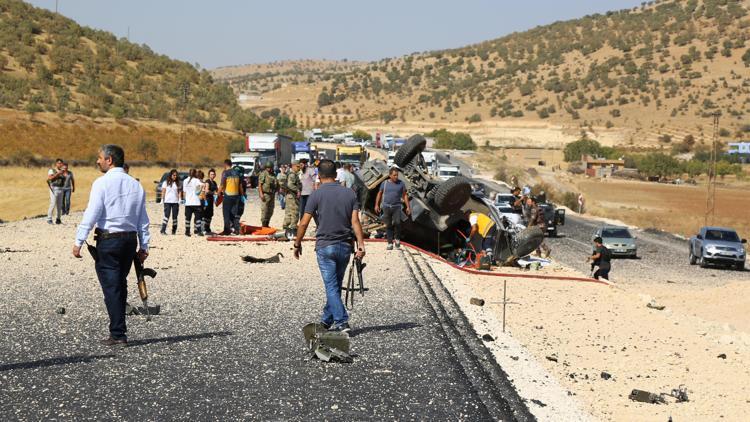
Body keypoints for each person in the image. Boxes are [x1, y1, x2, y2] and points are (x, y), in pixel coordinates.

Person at [72, 144, 150, 346]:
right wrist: (144, 246)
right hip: (129, 240)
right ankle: (118, 331)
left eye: (100, 158)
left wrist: (79, 240)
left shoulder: (102, 183)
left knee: (112, 287)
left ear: (110, 160)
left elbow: (92, 213)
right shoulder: (136, 185)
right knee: (119, 284)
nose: (97, 161)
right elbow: (143, 219)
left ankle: (118, 334)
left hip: (109, 240)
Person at [293, 159, 366, 333]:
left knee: (331, 287)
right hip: (345, 246)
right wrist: (361, 246)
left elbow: (303, 223)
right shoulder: (349, 194)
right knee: (335, 285)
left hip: (325, 247)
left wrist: (297, 243)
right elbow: (355, 221)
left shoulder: (315, 195)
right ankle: (326, 320)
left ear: (319, 175)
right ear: (335, 174)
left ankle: (342, 322)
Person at [374, 168, 411, 250]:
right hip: (386, 207)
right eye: (394, 175)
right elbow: (379, 194)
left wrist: (408, 207)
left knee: (398, 223)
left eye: (397, 175)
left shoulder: (401, 184)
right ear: (390, 175)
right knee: (389, 225)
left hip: (397, 207)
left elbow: (405, 195)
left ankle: (397, 239)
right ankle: (390, 243)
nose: (396, 177)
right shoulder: (385, 183)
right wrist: (376, 205)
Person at [218, 159, 244, 235]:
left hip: (228, 196)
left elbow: (222, 184)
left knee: (226, 214)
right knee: (234, 214)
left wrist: (218, 193)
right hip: (236, 196)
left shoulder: (225, 173)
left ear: (225, 164)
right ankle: (236, 230)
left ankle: (226, 230)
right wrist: (242, 195)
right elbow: (240, 185)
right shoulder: (237, 172)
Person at [182, 169, 204, 236]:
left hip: (188, 203)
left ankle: (187, 232)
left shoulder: (185, 181)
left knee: (188, 218)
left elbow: (184, 192)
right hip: (196, 202)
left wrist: (185, 200)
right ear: (195, 174)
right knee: (198, 218)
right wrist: (198, 191)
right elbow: (203, 185)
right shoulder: (196, 180)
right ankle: (199, 231)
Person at [283, 161, 302, 238]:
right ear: (293, 166)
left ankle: (286, 228)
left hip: (289, 196)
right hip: (292, 196)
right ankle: (292, 230)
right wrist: (297, 190)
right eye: (297, 167)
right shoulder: (292, 175)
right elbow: (290, 185)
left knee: (289, 213)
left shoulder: (292, 174)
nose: (299, 168)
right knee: (294, 213)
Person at [160, 169, 181, 235]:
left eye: (176, 175)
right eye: (174, 175)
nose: (175, 176)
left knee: (175, 217)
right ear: (171, 175)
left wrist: (180, 199)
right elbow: (163, 191)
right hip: (167, 202)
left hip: (175, 202)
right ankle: (163, 230)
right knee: (167, 216)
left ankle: (174, 231)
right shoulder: (165, 182)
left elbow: (179, 192)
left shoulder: (178, 183)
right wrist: (162, 199)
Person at [258, 161, 278, 227]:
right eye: (268, 168)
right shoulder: (263, 174)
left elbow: (276, 184)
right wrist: (261, 194)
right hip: (265, 194)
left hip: (272, 194)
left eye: (270, 168)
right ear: (266, 168)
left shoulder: (273, 175)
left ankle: (267, 223)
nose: (269, 169)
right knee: (265, 210)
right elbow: (260, 184)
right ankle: (263, 224)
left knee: (270, 210)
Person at [47, 158, 65, 224]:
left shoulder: (63, 171)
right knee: (53, 203)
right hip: (53, 188)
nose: (60, 164)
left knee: (59, 205)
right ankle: (49, 218)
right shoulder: (52, 170)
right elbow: (50, 178)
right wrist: (58, 174)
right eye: (59, 163)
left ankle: (58, 219)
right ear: (56, 164)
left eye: (61, 163)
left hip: (61, 189)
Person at [202, 168, 218, 235]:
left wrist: (219, 193)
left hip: (212, 200)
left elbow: (217, 190)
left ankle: (208, 228)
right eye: (211, 174)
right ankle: (203, 229)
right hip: (207, 199)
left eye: (214, 174)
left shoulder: (214, 182)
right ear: (209, 175)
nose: (213, 175)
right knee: (205, 214)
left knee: (210, 215)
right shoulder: (207, 181)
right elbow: (206, 190)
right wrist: (213, 193)